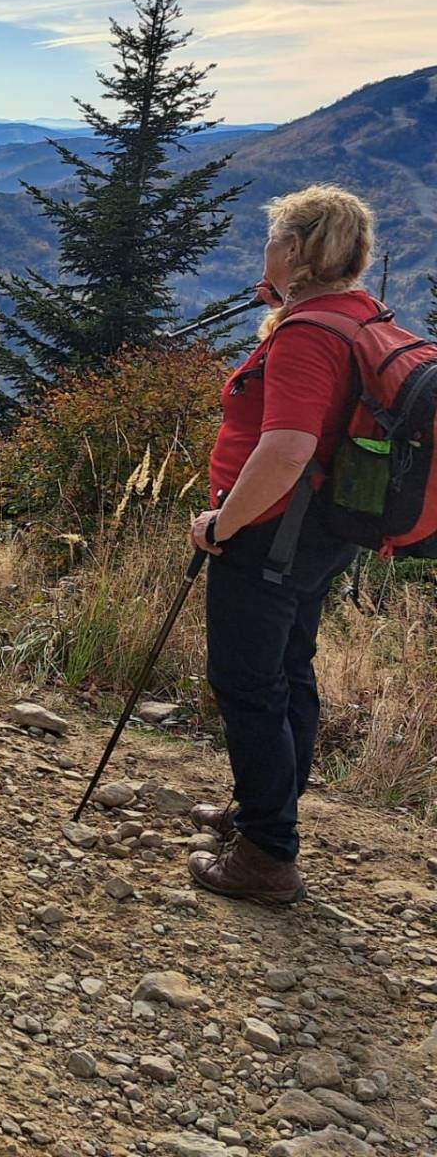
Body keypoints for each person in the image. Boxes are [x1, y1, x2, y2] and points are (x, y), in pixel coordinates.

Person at [186, 185, 376, 904]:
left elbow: (288, 446)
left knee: (245, 682)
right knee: (288, 667)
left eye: (273, 241)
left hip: (273, 532)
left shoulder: (307, 335)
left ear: (294, 251)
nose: (265, 250)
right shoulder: (358, 317)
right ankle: (267, 811)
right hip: (322, 531)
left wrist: (224, 523)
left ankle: (267, 854)